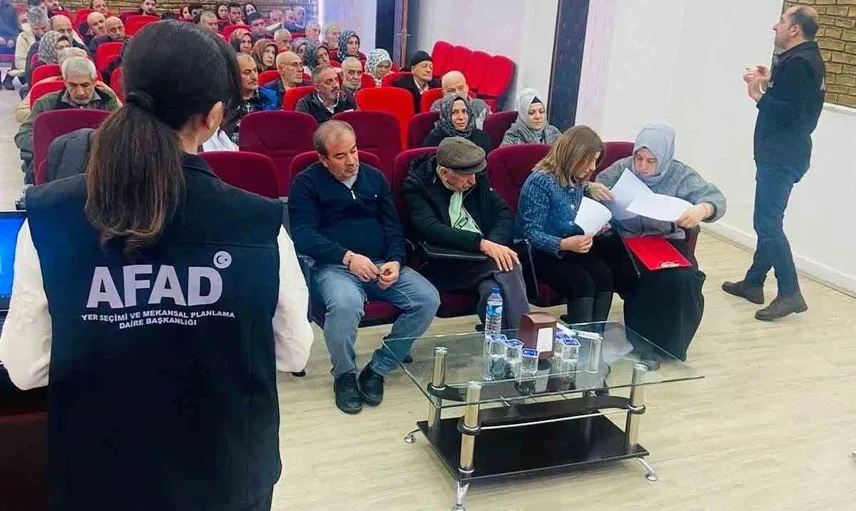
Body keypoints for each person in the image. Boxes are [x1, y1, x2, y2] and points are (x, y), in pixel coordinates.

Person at [0, 21, 313, 510]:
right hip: (225, 474)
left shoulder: (47, 217)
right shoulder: (260, 224)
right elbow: (294, 352)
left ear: (124, 91)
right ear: (214, 116)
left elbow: (25, 369)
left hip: (101, 476)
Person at [289, 120, 440, 415]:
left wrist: (396, 260)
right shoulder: (305, 184)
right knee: (346, 305)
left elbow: (393, 226)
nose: (351, 161)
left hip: (381, 263)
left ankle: (379, 367)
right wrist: (348, 257)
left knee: (427, 299)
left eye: (354, 151)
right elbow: (304, 235)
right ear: (323, 159)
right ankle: (344, 375)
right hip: (334, 267)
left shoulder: (374, 177)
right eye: (340, 156)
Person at [723, 5, 824, 321]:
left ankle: (790, 291)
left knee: (767, 224)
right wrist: (770, 82)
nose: (774, 26)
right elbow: (794, 100)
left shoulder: (800, 63)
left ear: (795, 29)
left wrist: (758, 94)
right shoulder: (803, 60)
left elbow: (789, 114)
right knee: (770, 221)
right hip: (786, 152)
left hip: (782, 155)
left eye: (781, 21)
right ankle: (754, 283)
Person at [595, 124, 726, 360]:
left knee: (685, 279)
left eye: (651, 161)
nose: (642, 167)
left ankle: (672, 346)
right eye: (639, 158)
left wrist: (703, 209)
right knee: (643, 277)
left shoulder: (680, 174)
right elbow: (595, 185)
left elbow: (715, 198)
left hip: (666, 241)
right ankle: (642, 343)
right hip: (627, 240)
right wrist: (595, 190)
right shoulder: (623, 168)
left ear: (664, 158)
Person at [403, 137, 529, 329]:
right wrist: (482, 244)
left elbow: (502, 214)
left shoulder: (477, 179)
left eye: (475, 174)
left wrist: (493, 245)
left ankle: (501, 342)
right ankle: (526, 338)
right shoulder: (417, 186)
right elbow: (431, 229)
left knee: (492, 290)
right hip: (446, 262)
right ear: (444, 173)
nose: (473, 180)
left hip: (482, 259)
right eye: (466, 175)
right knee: (508, 265)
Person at [516, 126, 614, 324]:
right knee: (582, 283)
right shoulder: (540, 182)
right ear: (572, 155)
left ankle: (596, 334)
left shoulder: (576, 179)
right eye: (588, 160)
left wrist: (596, 226)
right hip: (540, 254)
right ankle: (580, 338)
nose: (593, 167)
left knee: (605, 277)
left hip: (569, 248)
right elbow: (531, 233)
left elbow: (572, 213)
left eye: (595, 160)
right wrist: (563, 244)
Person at [16, 55, 120, 180]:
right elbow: (23, 135)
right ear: (65, 82)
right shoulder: (46, 103)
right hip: (57, 166)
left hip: (99, 165)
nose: (80, 92)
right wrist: (50, 148)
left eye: (85, 85)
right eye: (73, 85)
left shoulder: (108, 100)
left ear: (94, 81)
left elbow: (120, 132)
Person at [422, 95, 492, 155]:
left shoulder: (482, 137)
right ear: (445, 115)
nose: (461, 117)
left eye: (464, 111)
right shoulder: (434, 140)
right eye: (454, 112)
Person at [11, 7, 48, 88]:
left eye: (43, 28)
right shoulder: (22, 37)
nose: (40, 32)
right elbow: (19, 62)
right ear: (29, 25)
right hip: (30, 72)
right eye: (36, 29)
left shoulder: (54, 30)